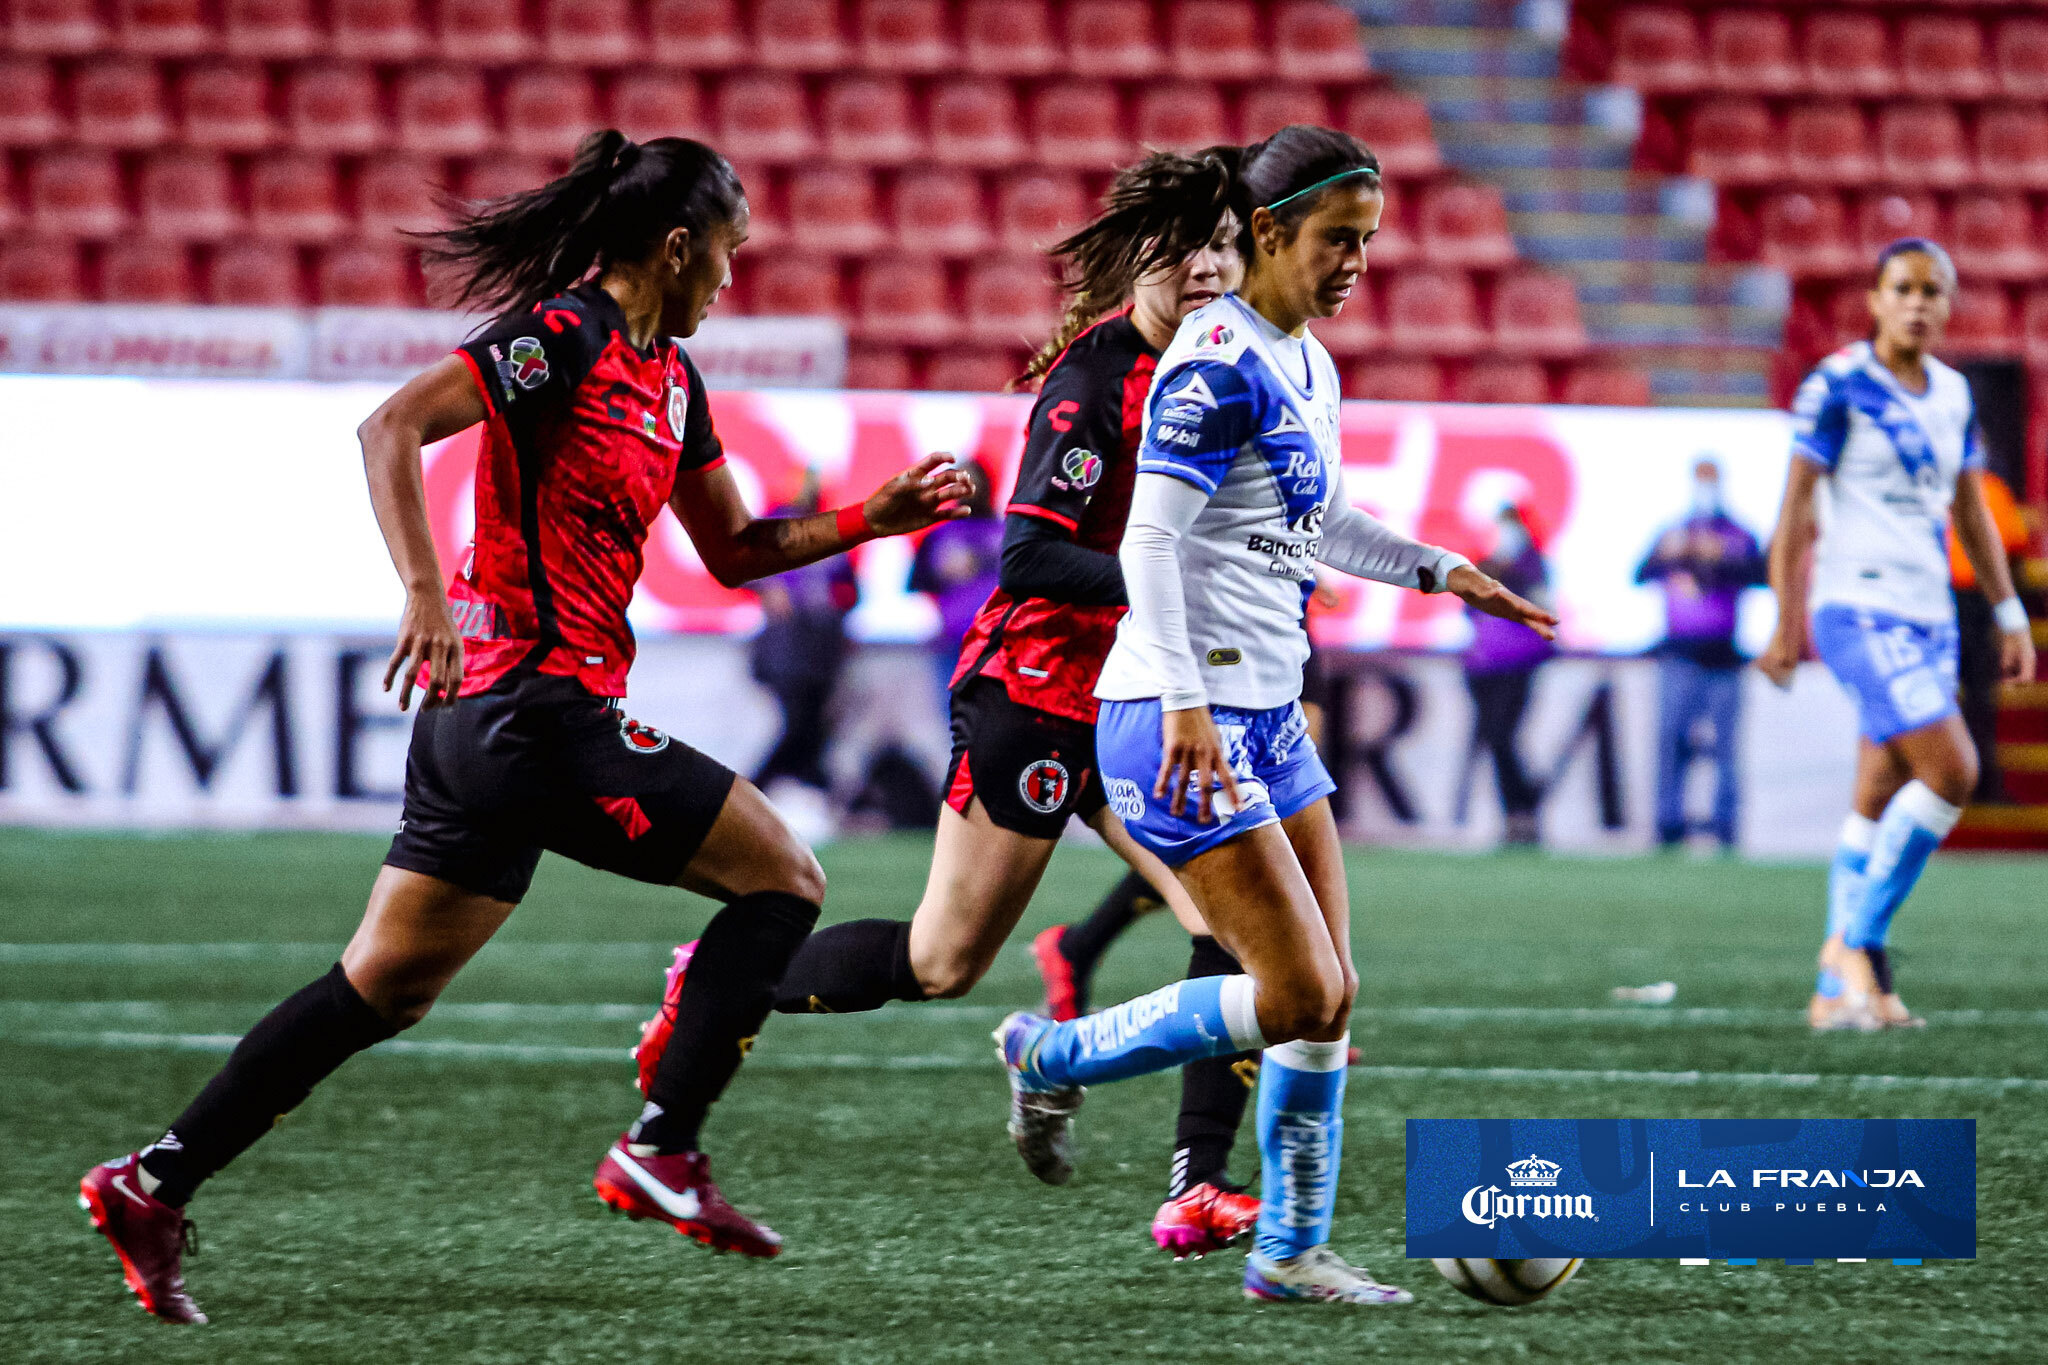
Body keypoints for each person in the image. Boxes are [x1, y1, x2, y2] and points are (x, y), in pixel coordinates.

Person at [76, 131, 972, 1324]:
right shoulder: (562, 338)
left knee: (379, 991)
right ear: (673, 246)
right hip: (523, 712)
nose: (729, 278)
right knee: (783, 878)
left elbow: (737, 550)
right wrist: (423, 594)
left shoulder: (670, 378)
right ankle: (663, 1144)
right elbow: (389, 428)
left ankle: (154, 1181)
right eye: (726, 255)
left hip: (497, 729)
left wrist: (875, 515)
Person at [636, 148, 1275, 1260]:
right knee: (940, 964)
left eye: (1229, 243)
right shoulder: (1095, 383)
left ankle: (1195, 1187)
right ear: (1143, 255)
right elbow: (1029, 560)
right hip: (1033, 694)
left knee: (1236, 933)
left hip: (1135, 702)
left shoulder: (1230, 375)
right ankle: (726, 974)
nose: (1215, 266)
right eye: (1194, 244)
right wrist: (1173, 584)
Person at [990, 125, 1555, 1307]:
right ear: (1264, 233)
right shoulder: (1214, 362)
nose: (1355, 263)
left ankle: (1289, 1253)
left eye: (1367, 243)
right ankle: (1045, 1054)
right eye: (1336, 240)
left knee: (1329, 990)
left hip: (1262, 714)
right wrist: (1186, 700)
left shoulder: (1304, 361)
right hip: (1171, 715)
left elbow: (1319, 522)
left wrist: (1442, 569)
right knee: (1294, 992)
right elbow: (1145, 536)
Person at [1759, 238, 2035, 1032]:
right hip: (1858, 608)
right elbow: (1794, 513)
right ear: (1876, 300)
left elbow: (1971, 510)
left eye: (1932, 290)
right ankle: (1855, 947)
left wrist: (2008, 609)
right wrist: (1784, 623)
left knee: (1879, 792)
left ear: (1947, 306)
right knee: (1953, 771)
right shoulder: (1839, 385)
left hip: (1931, 615)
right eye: (1904, 288)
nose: (1918, 302)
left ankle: (1836, 994)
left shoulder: (1951, 393)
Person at [1635, 458, 1768, 849]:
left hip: (1723, 655)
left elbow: (1758, 576)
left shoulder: (1737, 534)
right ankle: (1668, 820)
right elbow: (1641, 574)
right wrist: (1673, 556)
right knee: (1670, 739)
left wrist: (1719, 559)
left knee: (1726, 746)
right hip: (1679, 653)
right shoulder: (1675, 533)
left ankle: (1725, 823)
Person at [750, 470, 859, 796]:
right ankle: (757, 789)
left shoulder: (832, 530)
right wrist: (767, 587)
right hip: (785, 647)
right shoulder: (775, 525)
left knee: (814, 728)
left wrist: (833, 603)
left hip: (822, 647)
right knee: (799, 726)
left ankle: (812, 793)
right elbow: (737, 566)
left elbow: (852, 591)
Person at [1462, 502, 1554, 846]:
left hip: (1519, 663)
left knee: (1502, 736)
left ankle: (1523, 806)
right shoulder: (1485, 563)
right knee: (1497, 740)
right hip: (1483, 664)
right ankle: (1518, 810)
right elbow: (1466, 607)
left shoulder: (1533, 565)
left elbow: (1537, 605)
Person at [1948, 469, 2030, 802]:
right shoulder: (1944, 487)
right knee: (1954, 698)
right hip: (1944, 598)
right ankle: (1957, 781)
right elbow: (2017, 550)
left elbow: (2014, 548)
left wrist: (2009, 613)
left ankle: (1979, 783)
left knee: (1979, 697)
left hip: (1976, 600)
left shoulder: (1990, 489)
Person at [909, 459, 1005, 701]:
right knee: (956, 717)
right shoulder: (940, 535)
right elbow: (921, 584)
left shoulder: (1007, 532)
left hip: (1000, 641)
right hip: (954, 642)